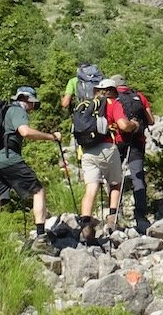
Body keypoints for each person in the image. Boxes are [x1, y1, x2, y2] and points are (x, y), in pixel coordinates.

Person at [0, 86, 61, 253]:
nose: (32, 108)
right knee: (38, 191)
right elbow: (24, 132)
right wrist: (51, 137)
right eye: (33, 104)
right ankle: (41, 238)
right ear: (26, 99)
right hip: (10, 159)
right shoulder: (17, 110)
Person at [73, 77, 123, 242]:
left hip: (87, 151)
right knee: (115, 183)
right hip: (106, 148)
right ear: (113, 91)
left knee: (91, 187)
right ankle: (112, 218)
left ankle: (86, 222)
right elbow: (122, 124)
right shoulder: (112, 104)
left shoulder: (88, 105)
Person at [106, 74, 155, 233]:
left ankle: (114, 215)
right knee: (138, 178)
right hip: (137, 142)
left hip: (117, 142)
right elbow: (151, 120)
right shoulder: (139, 96)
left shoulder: (112, 99)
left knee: (114, 179)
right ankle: (140, 217)